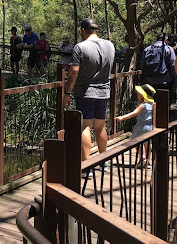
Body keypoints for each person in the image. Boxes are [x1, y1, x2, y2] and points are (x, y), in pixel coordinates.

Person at [62, 18, 116, 161]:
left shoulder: (80, 47)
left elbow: (73, 71)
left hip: (85, 92)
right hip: (104, 92)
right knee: (100, 126)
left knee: (85, 127)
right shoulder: (110, 45)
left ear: (83, 30)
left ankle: (87, 164)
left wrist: (67, 92)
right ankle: (104, 160)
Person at [115, 84, 155, 168]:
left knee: (135, 142)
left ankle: (142, 158)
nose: (137, 95)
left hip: (140, 126)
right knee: (147, 144)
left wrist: (122, 117)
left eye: (138, 94)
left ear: (143, 95)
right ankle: (147, 161)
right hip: (149, 126)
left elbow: (134, 113)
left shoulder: (142, 105)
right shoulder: (153, 105)